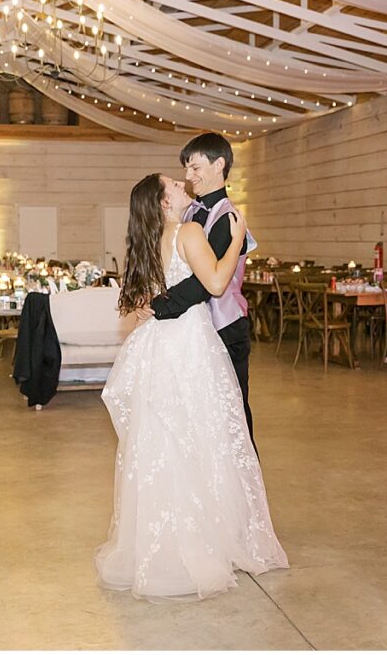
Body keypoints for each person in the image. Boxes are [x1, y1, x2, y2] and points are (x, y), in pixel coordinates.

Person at [95, 173, 288, 603]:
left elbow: (149, 298)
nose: (184, 186)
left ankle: (165, 543)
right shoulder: (190, 231)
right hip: (190, 345)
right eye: (175, 187)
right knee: (205, 438)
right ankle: (208, 540)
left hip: (159, 346)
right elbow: (216, 284)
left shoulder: (150, 242)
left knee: (167, 442)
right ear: (165, 204)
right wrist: (237, 240)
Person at [137, 133, 256, 452]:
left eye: (195, 168)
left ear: (219, 165)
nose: (188, 177)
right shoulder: (188, 214)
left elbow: (205, 284)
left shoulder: (228, 219)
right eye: (186, 170)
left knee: (234, 420)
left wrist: (160, 305)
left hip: (225, 330)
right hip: (195, 334)